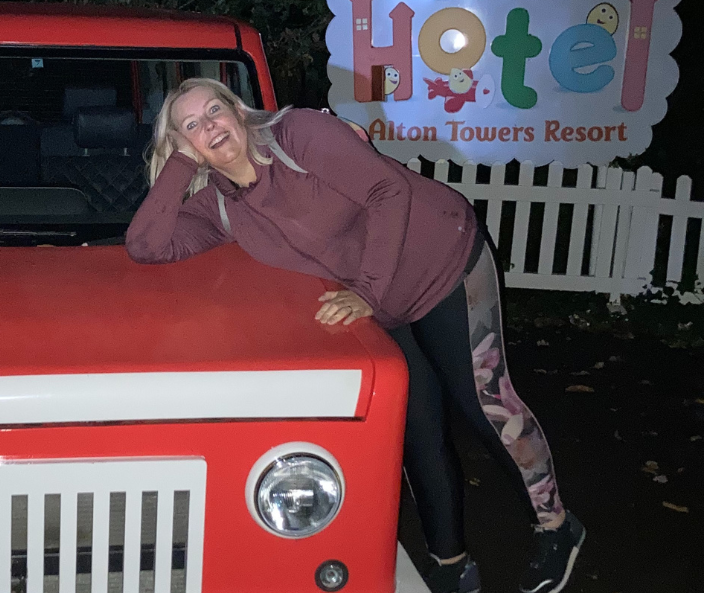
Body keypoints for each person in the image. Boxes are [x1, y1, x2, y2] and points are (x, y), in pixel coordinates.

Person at [125, 78, 585, 593]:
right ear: (184, 145)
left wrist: (367, 290)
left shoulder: (298, 135)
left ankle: (556, 526)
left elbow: (388, 191)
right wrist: (181, 166)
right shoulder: (222, 207)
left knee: (482, 402)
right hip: (385, 301)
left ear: (237, 110)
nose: (210, 125)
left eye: (215, 109)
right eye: (192, 125)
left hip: (442, 258)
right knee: (418, 429)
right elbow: (145, 246)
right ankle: (451, 563)